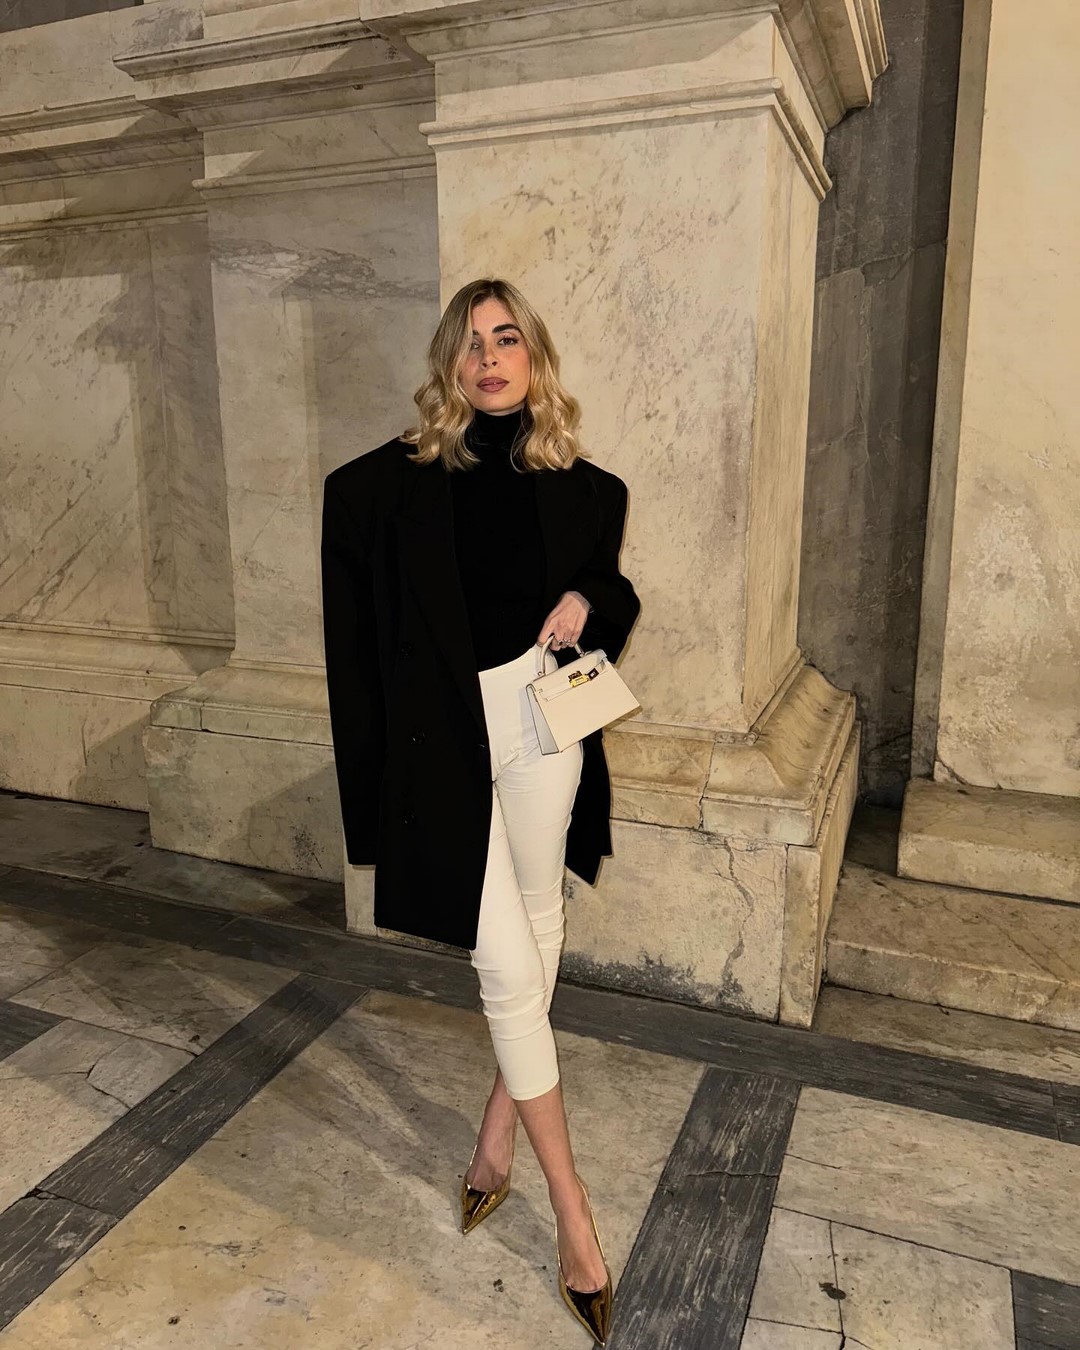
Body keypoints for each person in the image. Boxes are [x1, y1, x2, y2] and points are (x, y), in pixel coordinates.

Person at [320, 278, 640, 1345]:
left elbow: (610, 587)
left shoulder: (589, 489)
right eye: (469, 344)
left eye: (506, 339)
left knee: (540, 923)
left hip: (546, 725)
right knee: (504, 962)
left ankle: (494, 1143)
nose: (489, 359)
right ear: (447, 366)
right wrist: (370, 799)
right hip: (443, 745)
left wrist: (589, 598)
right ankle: (574, 1215)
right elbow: (356, 660)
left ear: (533, 356)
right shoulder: (382, 489)